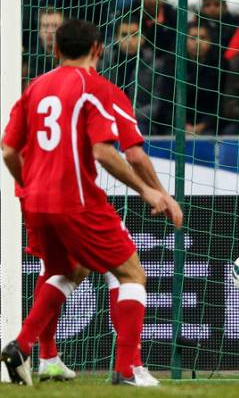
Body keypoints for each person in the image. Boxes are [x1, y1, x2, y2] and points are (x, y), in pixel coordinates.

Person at [1, 19, 180, 386]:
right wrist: (151, 191)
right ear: (99, 49)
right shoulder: (96, 88)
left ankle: (22, 345)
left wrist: (29, 184)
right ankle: (129, 368)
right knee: (131, 273)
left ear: (55, 49)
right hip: (76, 200)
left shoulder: (34, 87)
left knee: (69, 270)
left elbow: (7, 150)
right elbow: (110, 151)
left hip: (34, 202)